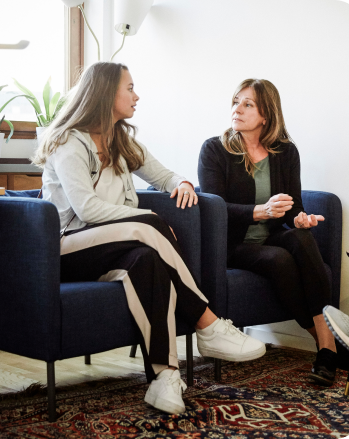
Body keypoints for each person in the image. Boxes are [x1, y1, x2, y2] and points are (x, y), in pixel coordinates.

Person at [32, 62, 265, 415]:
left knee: (149, 261)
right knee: (151, 225)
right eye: (130, 88)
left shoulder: (121, 140)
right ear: (107, 93)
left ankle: (164, 377)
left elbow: (164, 176)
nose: (136, 95)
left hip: (115, 246)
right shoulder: (68, 141)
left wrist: (182, 184)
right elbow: (88, 209)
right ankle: (208, 324)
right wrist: (146, 219)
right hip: (67, 247)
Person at [198, 78, 338, 387]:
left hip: (272, 234)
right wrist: (260, 211)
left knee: (301, 238)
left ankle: (327, 346)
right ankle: (326, 342)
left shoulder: (285, 152)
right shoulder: (214, 149)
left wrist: (300, 219)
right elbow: (214, 208)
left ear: (266, 115)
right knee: (278, 259)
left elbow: (293, 207)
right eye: (236, 101)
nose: (237, 109)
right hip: (233, 243)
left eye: (248, 104)